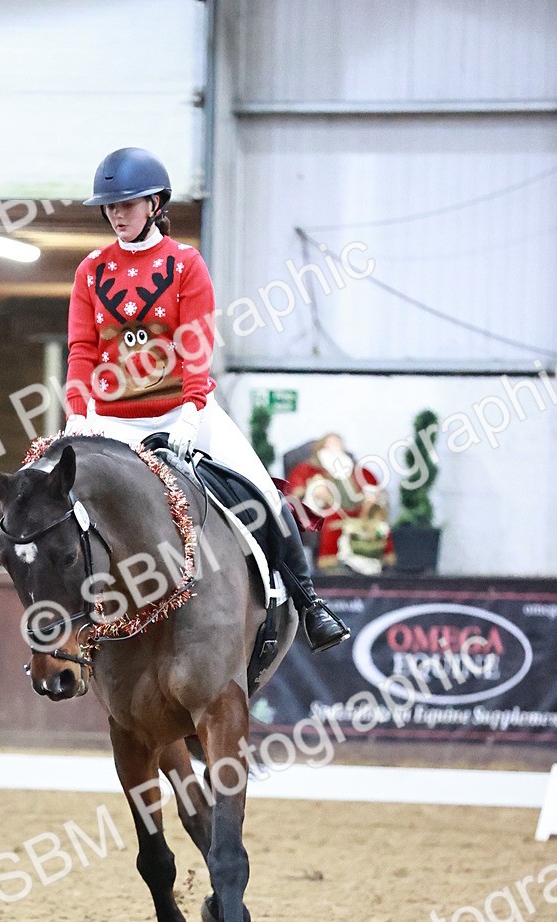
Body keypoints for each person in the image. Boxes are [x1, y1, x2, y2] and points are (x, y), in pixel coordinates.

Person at [64, 146, 348, 652]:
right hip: (111, 423)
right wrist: (77, 414)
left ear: (154, 204)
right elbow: (83, 349)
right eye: (110, 206)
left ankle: (310, 605)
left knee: (264, 494)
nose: (116, 214)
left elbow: (196, 346)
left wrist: (191, 415)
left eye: (126, 204)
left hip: (182, 412)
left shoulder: (184, 264)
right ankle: (67, 629)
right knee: (56, 508)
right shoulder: (90, 270)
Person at [287, 433, 395, 573]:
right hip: (328, 510)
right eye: (330, 444)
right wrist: (315, 492)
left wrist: (371, 497)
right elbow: (295, 493)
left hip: (359, 511)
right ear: (321, 447)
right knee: (332, 520)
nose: (335, 448)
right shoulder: (307, 469)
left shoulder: (356, 470)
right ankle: (332, 565)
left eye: (338, 444)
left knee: (376, 521)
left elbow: (374, 487)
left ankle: (377, 561)